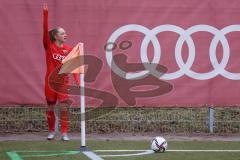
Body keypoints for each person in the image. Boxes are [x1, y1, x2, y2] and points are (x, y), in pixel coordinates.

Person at [43, 2, 80, 141]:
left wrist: (77, 81)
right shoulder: (49, 46)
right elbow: (44, 29)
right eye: (62, 33)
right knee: (50, 107)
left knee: (64, 107)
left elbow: (73, 67)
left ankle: (64, 133)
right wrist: (45, 14)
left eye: (65, 33)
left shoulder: (69, 49)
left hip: (63, 82)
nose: (66, 34)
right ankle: (52, 131)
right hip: (50, 83)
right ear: (55, 36)